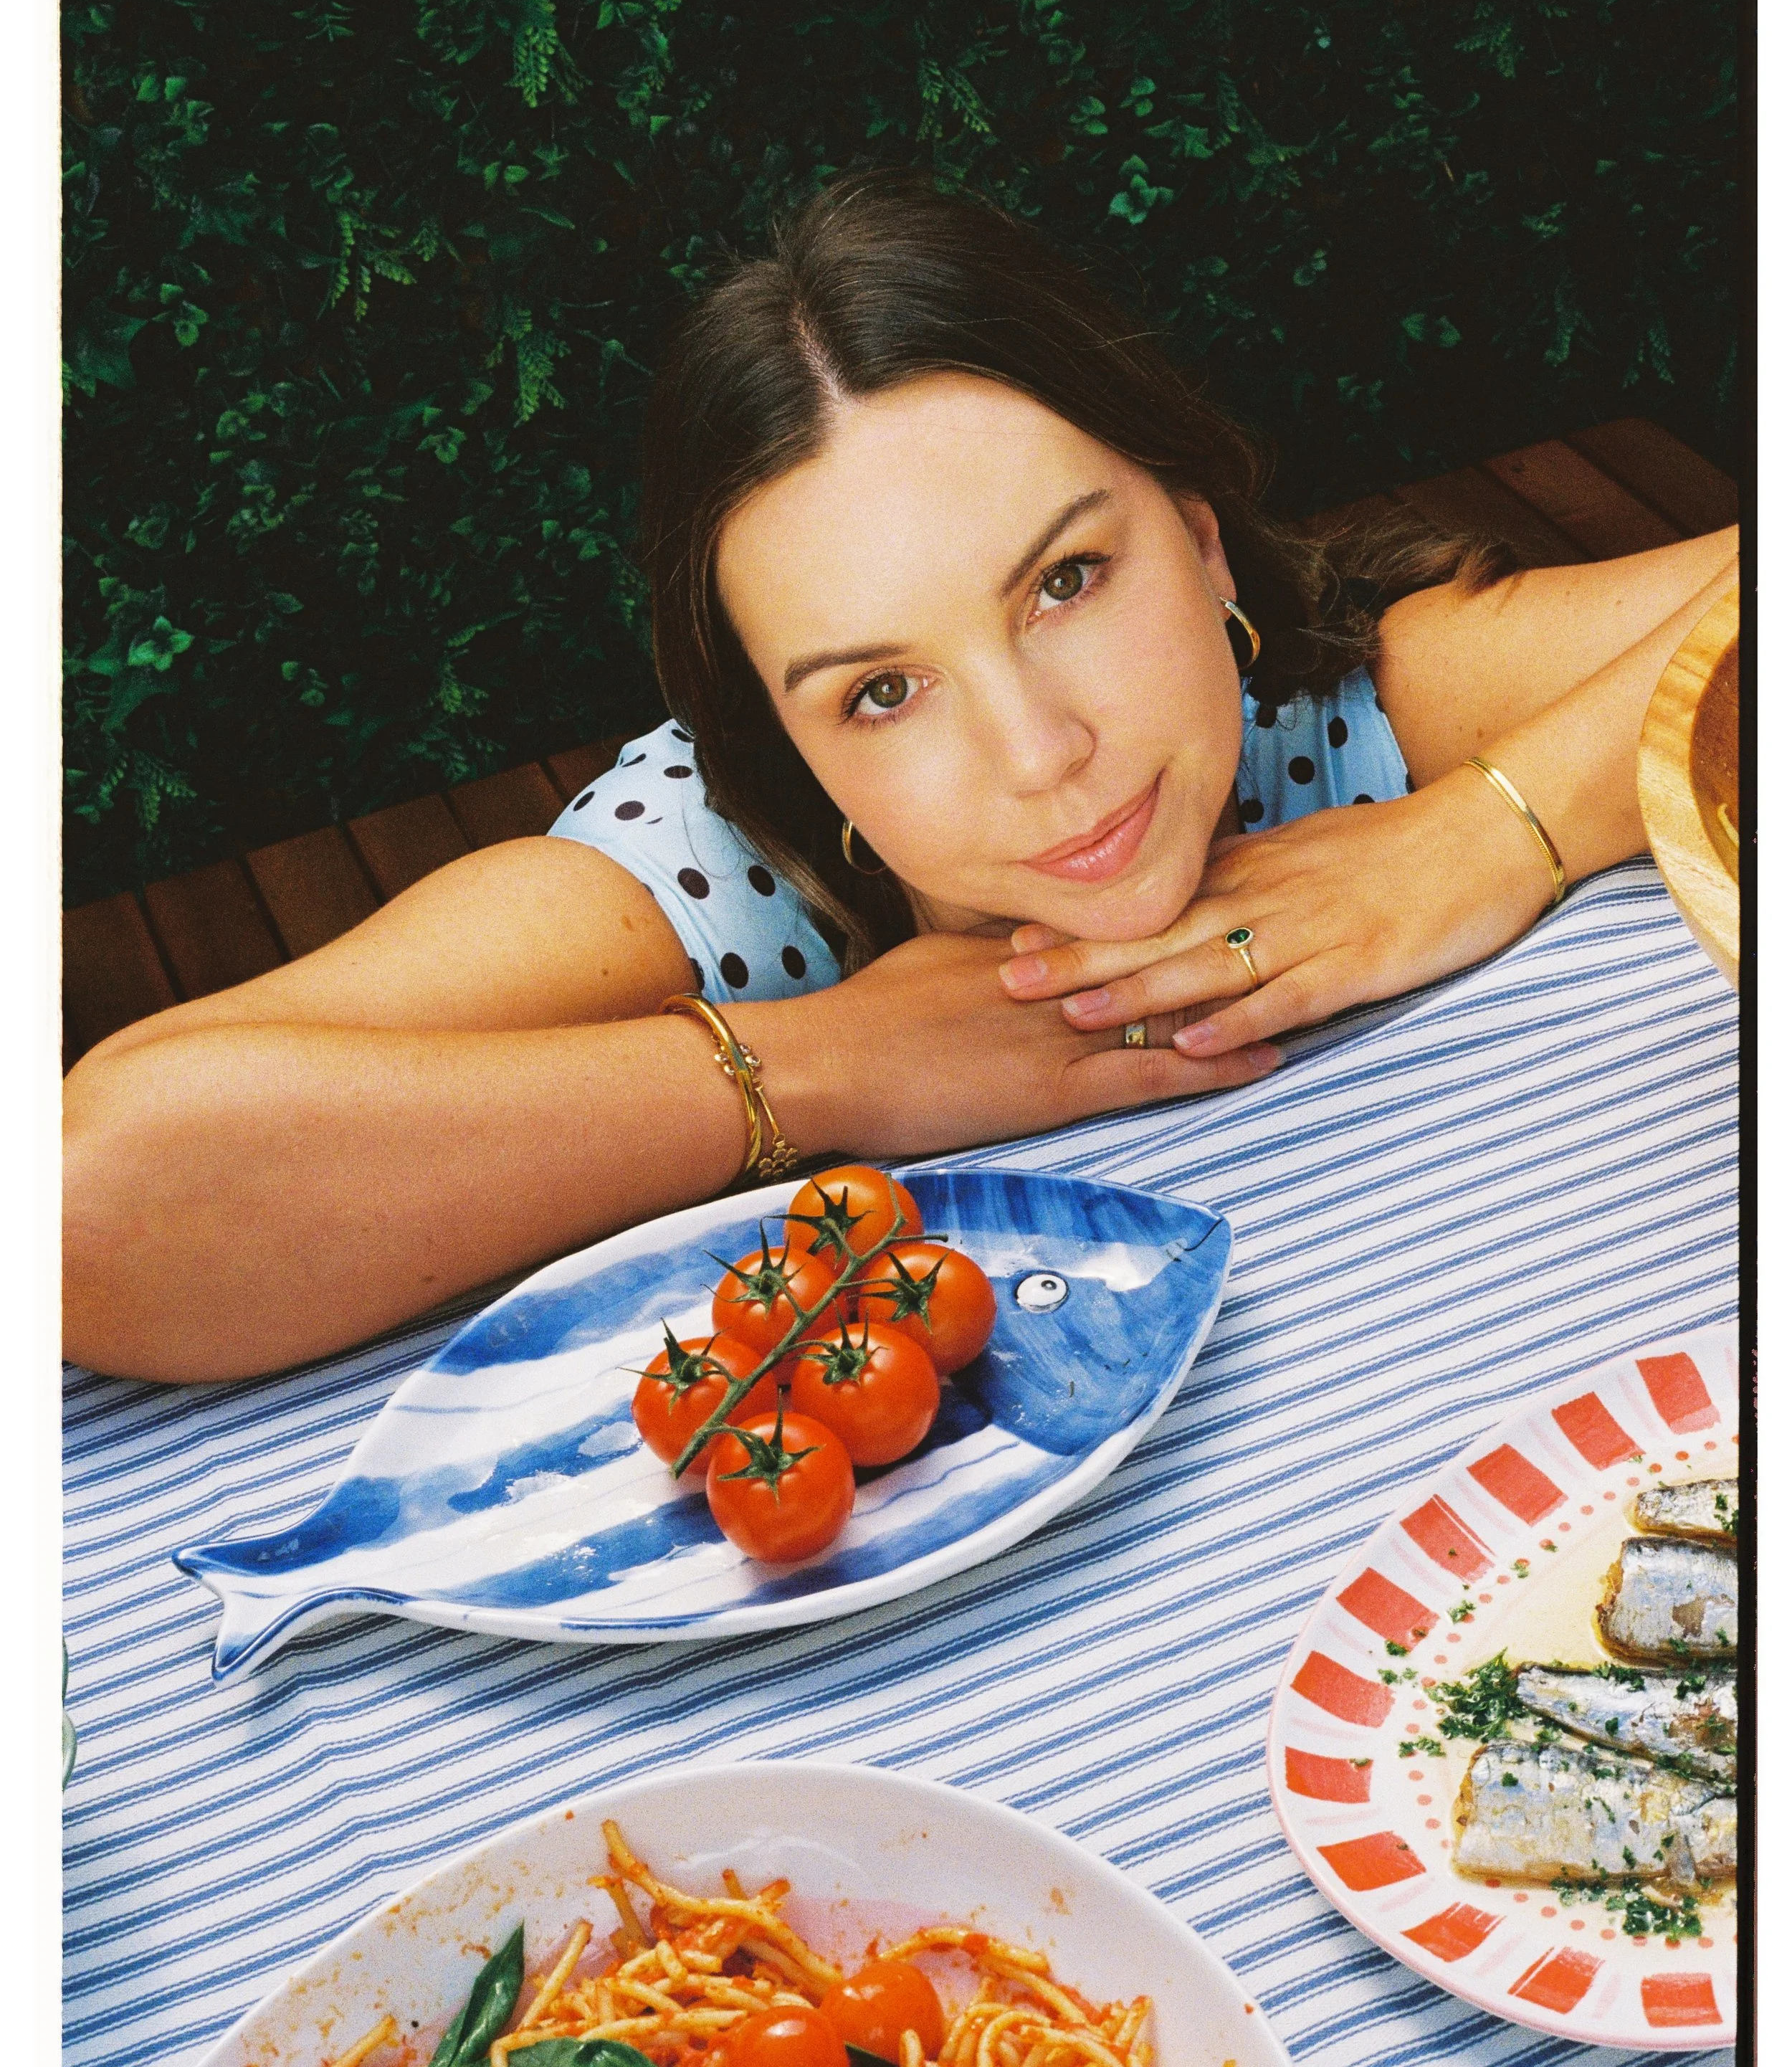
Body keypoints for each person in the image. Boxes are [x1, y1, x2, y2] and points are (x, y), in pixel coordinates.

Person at [63, 175, 1738, 1383]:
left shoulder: (1338, 703)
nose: (1037, 752)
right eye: (877, 691)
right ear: (785, 755)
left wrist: (1489, 826)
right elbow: (92, 1202)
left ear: (1201, 535)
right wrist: (820, 1067)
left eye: (1066, 582)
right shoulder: (704, 884)